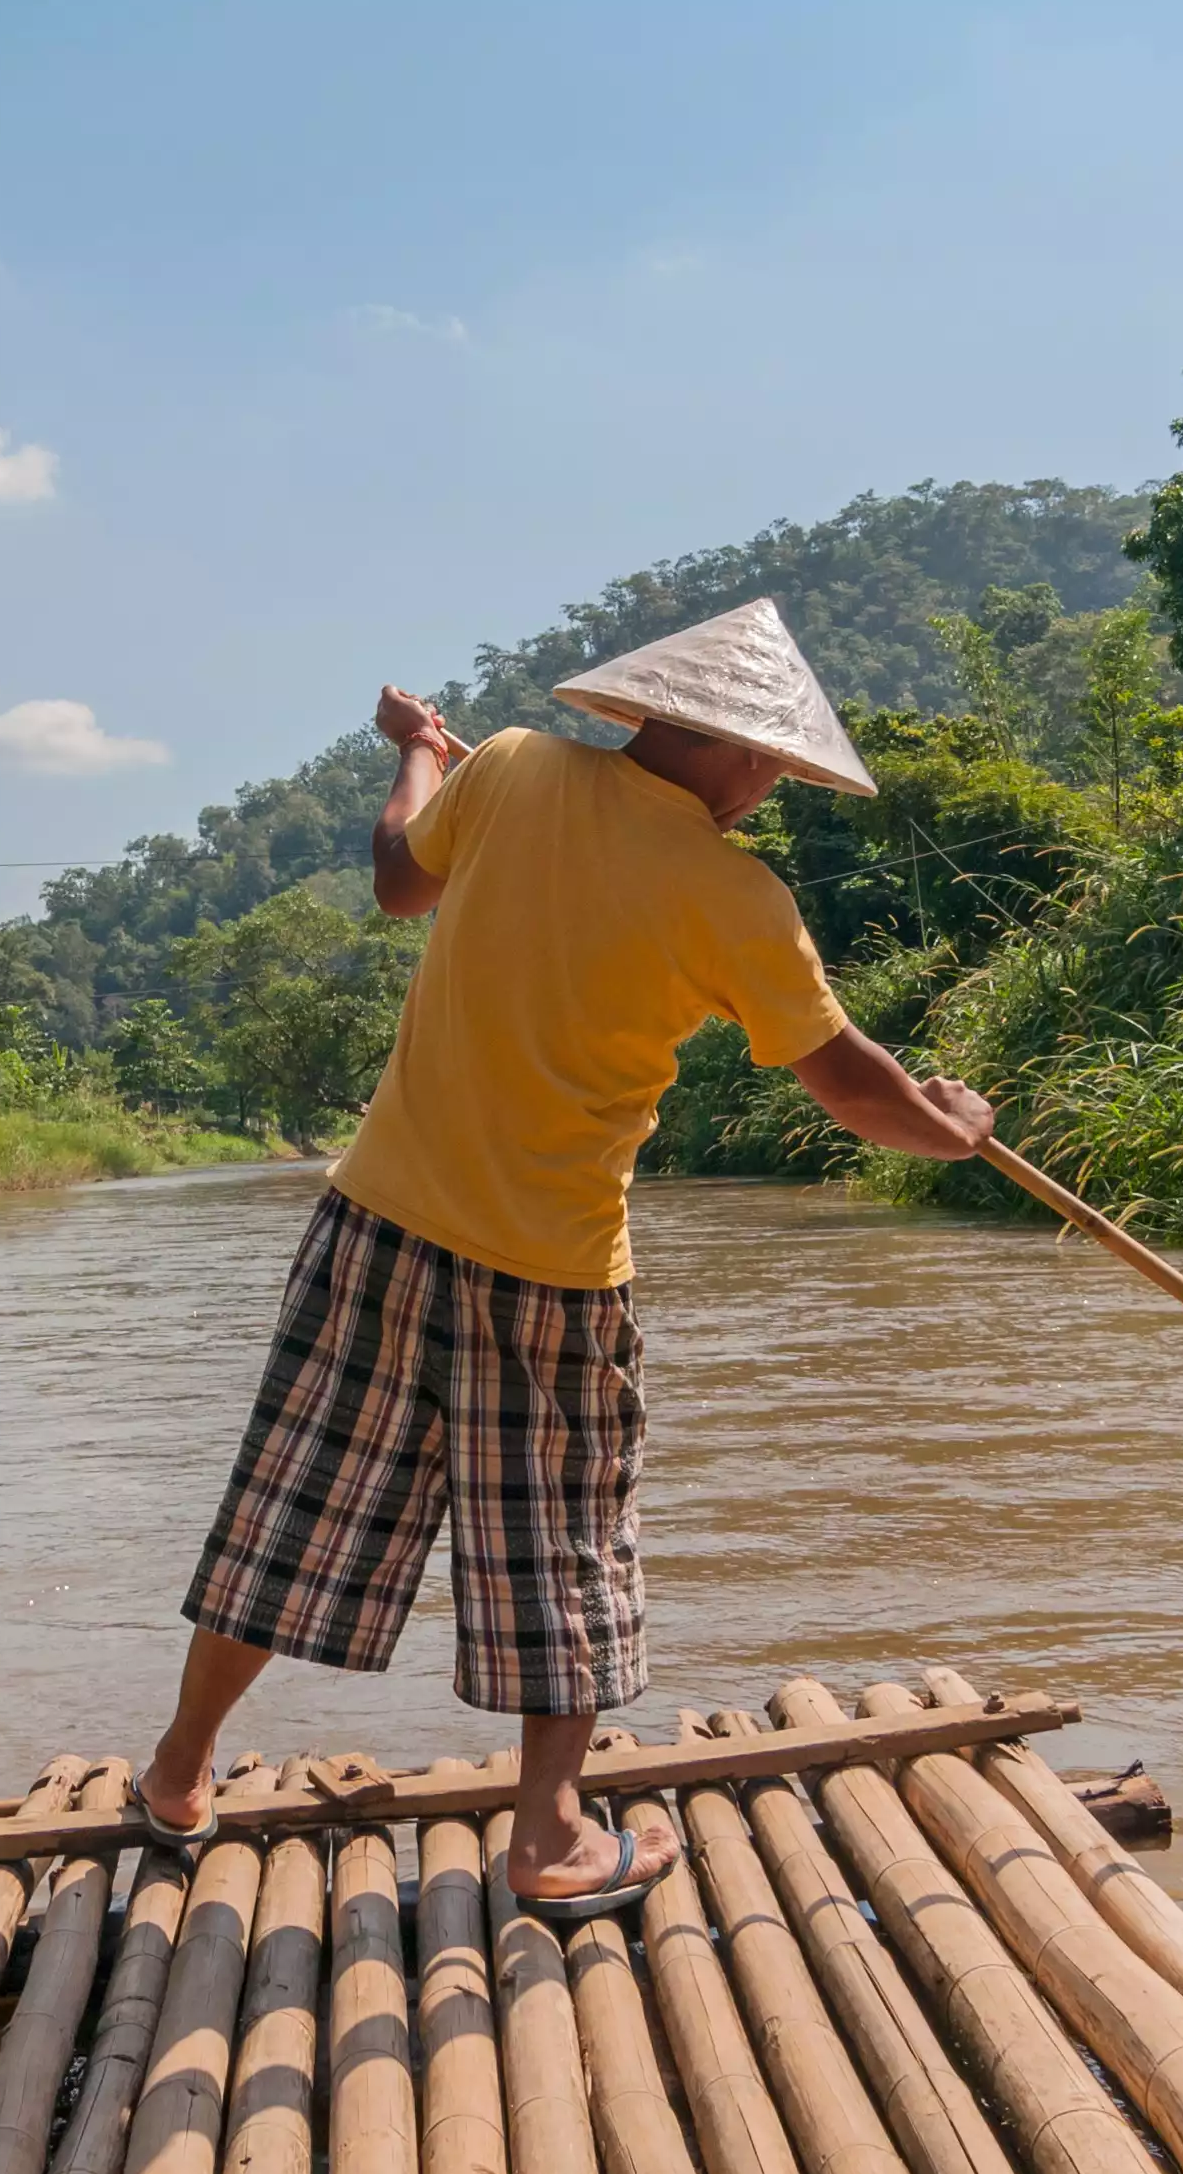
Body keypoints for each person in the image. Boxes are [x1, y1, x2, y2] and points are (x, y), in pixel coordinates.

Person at [133, 599, 997, 1915]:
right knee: (562, 1550)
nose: (769, 786)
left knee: (294, 1507)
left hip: (376, 1225)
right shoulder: (739, 899)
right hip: (551, 1269)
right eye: (769, 763)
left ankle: (178, 1776)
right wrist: (955, 1129)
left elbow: (397, 880)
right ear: (741, 752)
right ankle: (545, 1838)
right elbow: (856, 1088)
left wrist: (419, 757)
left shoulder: (521, 773)